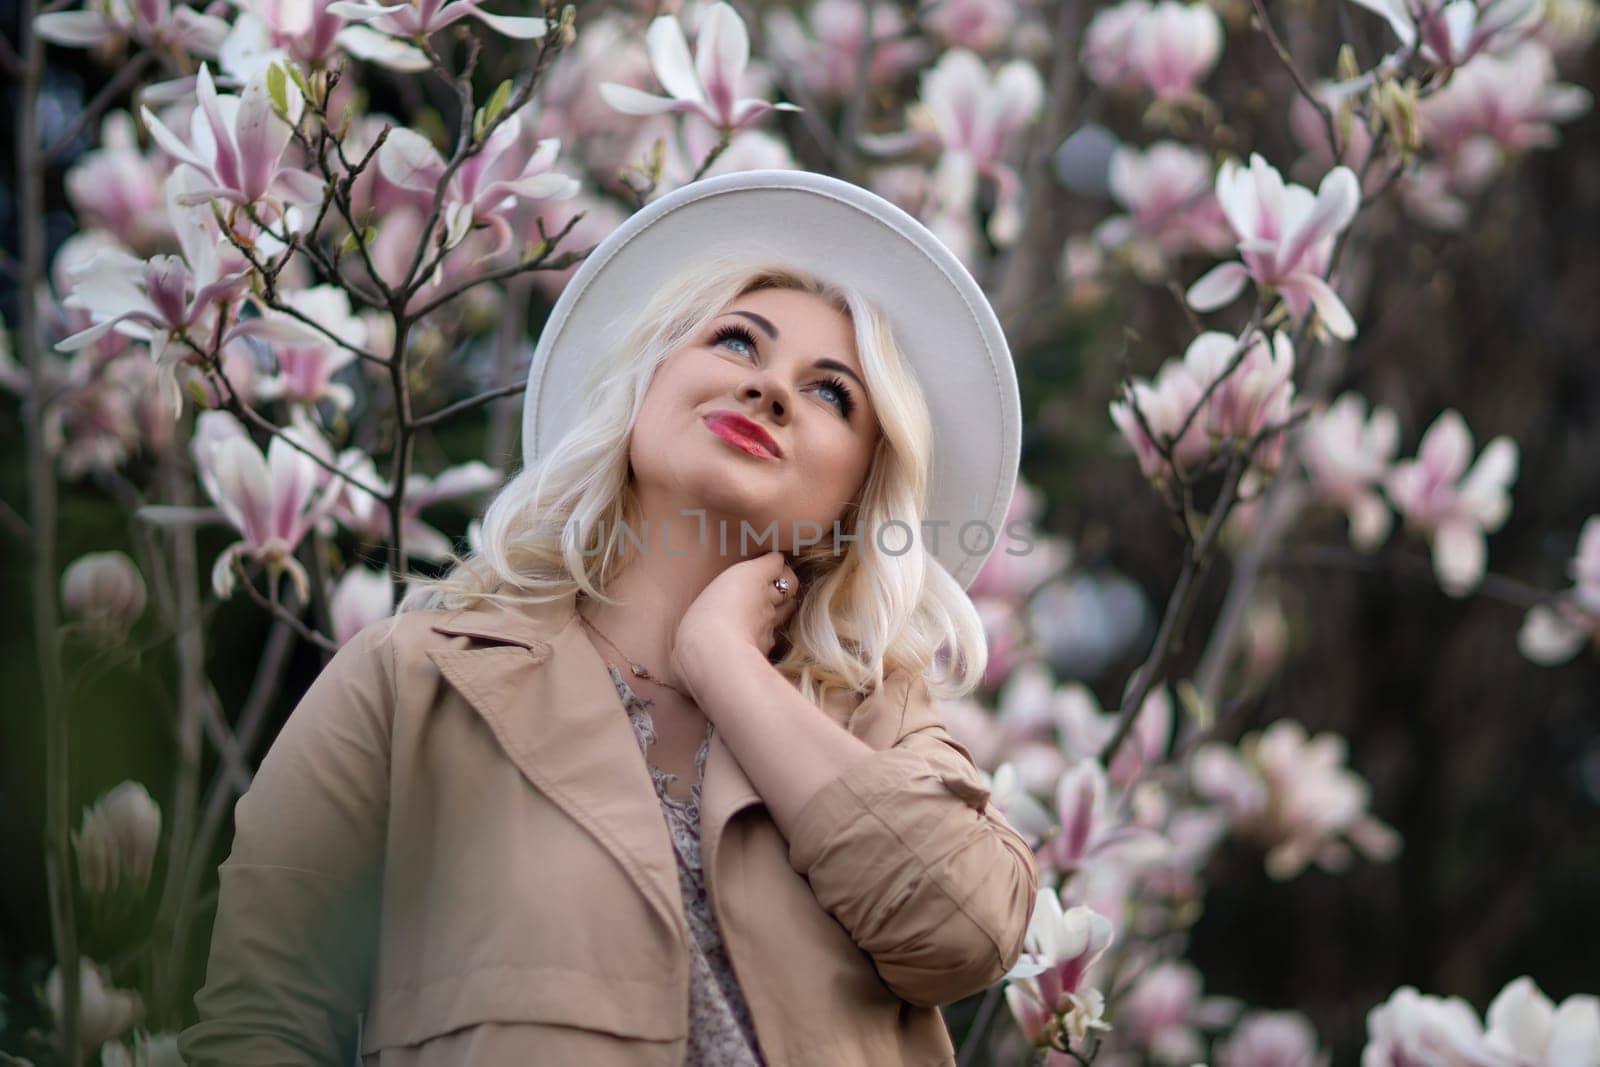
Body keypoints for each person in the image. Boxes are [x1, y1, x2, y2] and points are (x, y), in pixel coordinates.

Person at [178, 170, 1039, 1066]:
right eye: (738, 342)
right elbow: (258, 1027)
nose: (773, 390)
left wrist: (725, 662)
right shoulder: (412, 685)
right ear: (645, 384)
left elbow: (964, 932)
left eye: (832, 393)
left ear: (855, 500)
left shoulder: (882, 719)